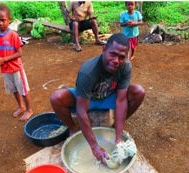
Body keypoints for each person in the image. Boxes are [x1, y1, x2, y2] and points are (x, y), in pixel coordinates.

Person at [50, 33, 145, 163]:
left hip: (109, 98)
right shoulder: (87, 71)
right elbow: (81, 110)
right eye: (113, 54)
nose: (116, 61)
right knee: (56, 97)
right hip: (86, 99)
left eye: (121, 57)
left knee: (138, 91)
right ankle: (73, 128)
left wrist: (118, 136)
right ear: (104, 49)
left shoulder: (125, 67)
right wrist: (94, 146)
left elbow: (121, 100)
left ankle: (116, 125)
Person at [0, 3, 33, 121]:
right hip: (6, 70)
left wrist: (4, 59)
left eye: (3, 20)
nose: (0, 23)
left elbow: (19, 53)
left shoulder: (13, 35)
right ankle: (21, 107)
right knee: (14, 90)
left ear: (9, 20)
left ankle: (29, 110)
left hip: (16, 69)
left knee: (23, 90)